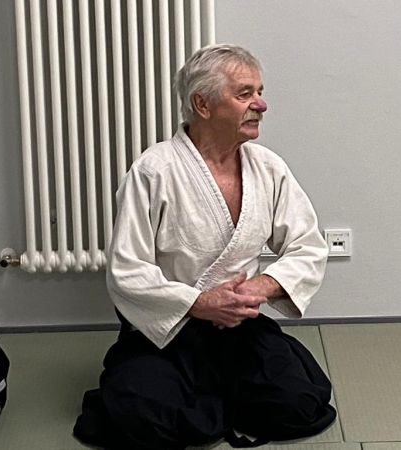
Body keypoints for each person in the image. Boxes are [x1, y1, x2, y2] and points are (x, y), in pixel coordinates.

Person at [74, 44, 335, 449]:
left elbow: (308, 246)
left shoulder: (268, 167)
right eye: (244, 94)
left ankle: (211, 394)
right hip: (167, 330)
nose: (261, 104)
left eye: (260, 92)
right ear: (203, 104)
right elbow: (127, 269)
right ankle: (201, 394)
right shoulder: (154, 171)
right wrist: (198, 303)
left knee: (299, 404)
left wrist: (259, 288)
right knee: (148, 416)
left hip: (238, 327)